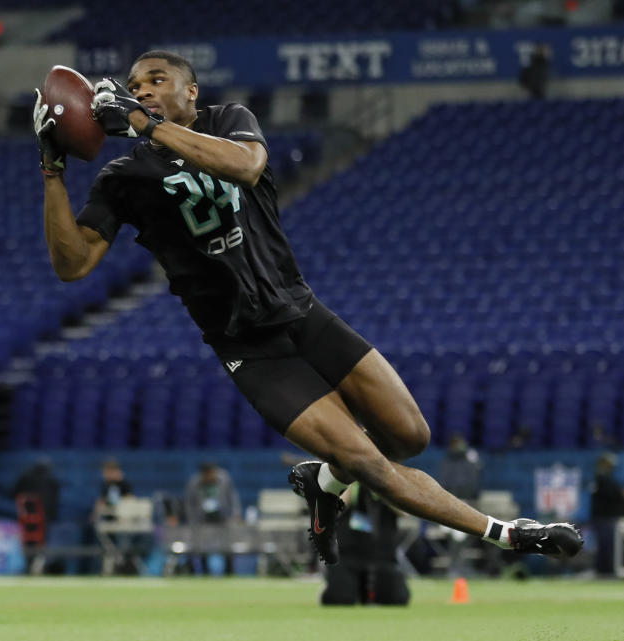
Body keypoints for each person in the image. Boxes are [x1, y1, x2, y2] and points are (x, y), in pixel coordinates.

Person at [33, 50, 583, 566]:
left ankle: (325, 484)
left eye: (156, 81)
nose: (142, 91)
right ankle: (510, 533)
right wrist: (52, 169)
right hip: (249, 347)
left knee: (409, 438)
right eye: (133, 87)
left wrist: (146, 123)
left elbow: (246, 167)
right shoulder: (123, 177)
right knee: (368, 462)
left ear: (192, 92)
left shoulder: (228, 119)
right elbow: (73, 264)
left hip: (300, 311)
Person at [321, 483, 409, 606]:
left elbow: (405, 512)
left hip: (382, 556)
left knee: (396, 599)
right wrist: (352, 484)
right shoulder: (343, 479)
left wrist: (381, 487)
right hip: (348, 555)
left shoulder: (388, 480)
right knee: (338, 599)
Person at [183, 462, 241, 575]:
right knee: (201, 546)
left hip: (222, 517)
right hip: (202, 519)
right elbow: (189, 504)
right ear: (203, 474)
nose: (211, 477)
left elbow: (233, 497)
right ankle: (205, 571)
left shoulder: (224, 479)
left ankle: (229, 571)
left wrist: (236, 513)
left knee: (227, 545)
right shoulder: (194, 483)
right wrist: (192, 520)